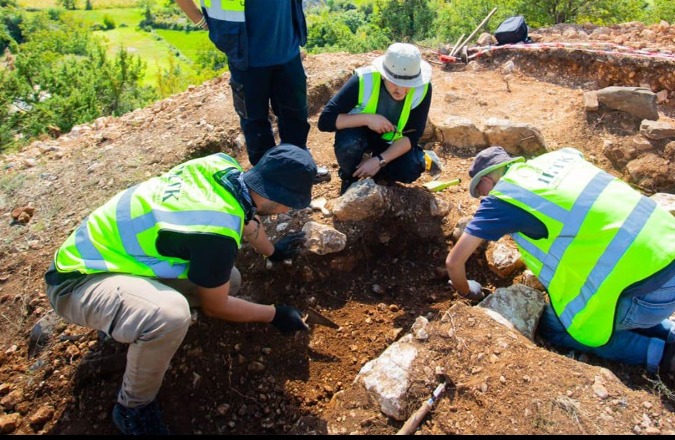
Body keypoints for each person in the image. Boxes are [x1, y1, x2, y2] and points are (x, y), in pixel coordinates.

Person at [446, 146, 675, 433]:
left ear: (490, 180)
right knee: (605, 298)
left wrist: (470, 292)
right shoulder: (560, 158)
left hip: (649, 292)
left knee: (559, 328)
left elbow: (454, 263)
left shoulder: (504, 200)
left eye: (480, 192)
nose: (482, 200)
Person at [44, 145, 315, 435]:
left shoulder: (221, 167)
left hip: (114, 254)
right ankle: (132, 409)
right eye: (290, 203)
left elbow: (247, 218)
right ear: (275, 195)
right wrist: (275, 314)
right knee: (170, 315)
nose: (289, 210)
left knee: (230, 279)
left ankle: (129, 317)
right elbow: (216, 306)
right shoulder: (216, 232)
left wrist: (272, 252)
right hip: (77, 279)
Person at [174, 0, 328, 182]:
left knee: (295, 115)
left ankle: (299, 168)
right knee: (254, 122)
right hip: (245, 56)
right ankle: (267, 180)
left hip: (288, 49)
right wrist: (201, 21)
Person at [317, 42, 440, 195]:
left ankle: (377, 174)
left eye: (408, 84)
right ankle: (351, 177)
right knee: (349, 145)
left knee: (411, 168)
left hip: (389, 143)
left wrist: (379, 161)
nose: (401, 90)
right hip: (358, 135)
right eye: (395, 82)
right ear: (383, 75)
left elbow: (412, 136)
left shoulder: (422, 89)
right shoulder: (364, 80)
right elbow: (325, 121)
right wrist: (368, 119)